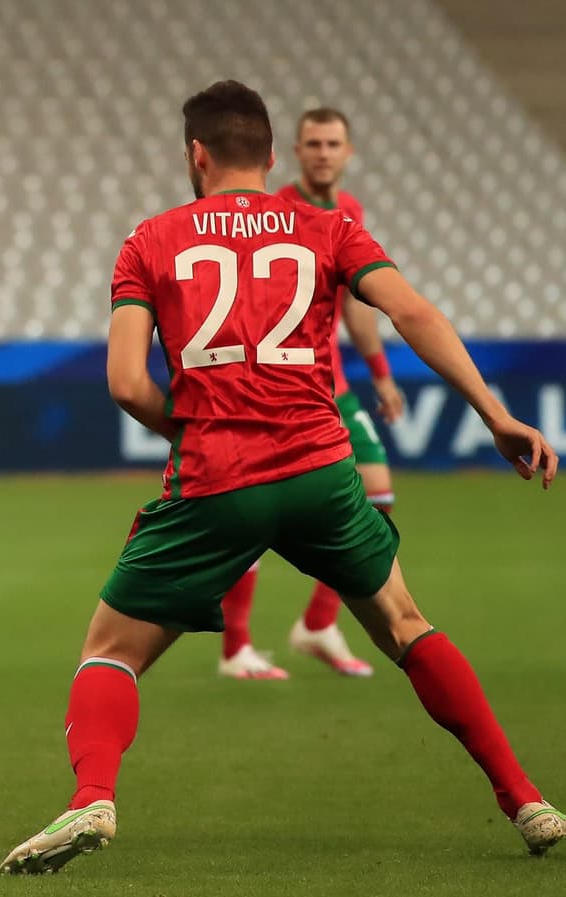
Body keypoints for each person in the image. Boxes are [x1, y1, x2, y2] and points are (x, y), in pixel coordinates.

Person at [0, 80, 566, 874]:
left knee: (110, 650)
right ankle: (525, 798)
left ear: (195, 155)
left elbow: (126, 382)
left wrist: (193, 431)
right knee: (406, 624)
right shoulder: (328, 226)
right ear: (273, 157)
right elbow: (415, 313)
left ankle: (93, 796)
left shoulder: (150, 240)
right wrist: (494, 414)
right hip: (321, 470)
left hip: (215, 477)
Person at [219, 107, 404, 680]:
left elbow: (357, 302)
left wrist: (380, 372)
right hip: (284, 389)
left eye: (333, 143)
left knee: (377, 496)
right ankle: (236, 648)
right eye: (314, 143)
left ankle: (319, 623)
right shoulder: (275, 215)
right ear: (293, 153)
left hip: (336, 385)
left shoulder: (348, 212)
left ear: (349, 152)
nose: (324, 152)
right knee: (255, 512)